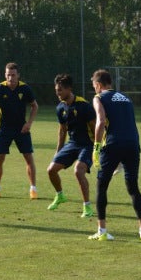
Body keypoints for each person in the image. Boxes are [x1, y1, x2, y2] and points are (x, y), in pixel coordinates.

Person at [88, 69, 141, 242]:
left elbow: (100, 121)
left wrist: (96, 146)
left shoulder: (99, 98)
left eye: (94, 85)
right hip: (133, 144)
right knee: (133, 188)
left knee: (102, 186)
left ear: (99, 85)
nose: (94, 89)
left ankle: (102, 231)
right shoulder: (126, 98)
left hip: (113, 144)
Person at [0, 62, 39, 200]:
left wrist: (29, 123)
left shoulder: (25, 88)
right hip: (4, 129)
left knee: (28, 157)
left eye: (13, 75)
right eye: (8, 75)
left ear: (18, 75)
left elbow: (34, 106)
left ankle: (33, 189)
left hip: (22, 128)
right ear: (5, 75)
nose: (10, 78)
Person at [46, 74, 95, 218]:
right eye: (56, 90)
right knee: (51, 170)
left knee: (78, 171)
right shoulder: (60, 108)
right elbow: (62, 130)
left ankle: (87, 207)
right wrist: (58, 151)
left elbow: (95, 127)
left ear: (69, 89)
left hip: (87, 145)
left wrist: (99, 147)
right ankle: (60, 195)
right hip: (72, 144)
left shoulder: (84, 106)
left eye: (60, 90)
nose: (57, 93)